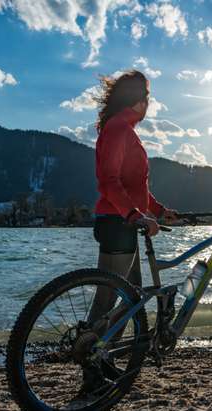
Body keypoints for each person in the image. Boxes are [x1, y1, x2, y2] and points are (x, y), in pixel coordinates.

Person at [87, 69, 178, 346]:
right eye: (148, 98)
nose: (149, 104)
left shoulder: (124, 129)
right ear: (139, 101)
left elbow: (135, 186)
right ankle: (91, 354)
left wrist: (159, 211)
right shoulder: (118, 128)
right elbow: (109, 181)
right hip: (118, 222)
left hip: (124, 221)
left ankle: (107, 352)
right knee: (108, 298)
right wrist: (133, 214)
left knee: (133, 296)